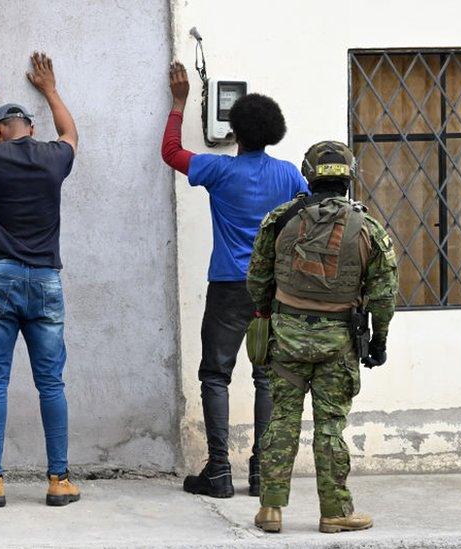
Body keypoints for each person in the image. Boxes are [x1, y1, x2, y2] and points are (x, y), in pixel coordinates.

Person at [162, 61, 310, 498]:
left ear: (236, 133)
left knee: (216, 375)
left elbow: (171, 152)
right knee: (265, 376)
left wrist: (179, 103)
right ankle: (262, 472)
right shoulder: (288, 174)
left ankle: (219, 470)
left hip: (228, 284)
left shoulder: (220, 171)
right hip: (273, 289)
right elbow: (306, 212)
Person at [247, 141, 397, 534]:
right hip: (339, 344)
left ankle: (270, 510)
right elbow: (383, 295)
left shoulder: (279, 220)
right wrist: (378, 342)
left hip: (286, 339)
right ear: (349, 177)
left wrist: (269, 314)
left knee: (281, 419)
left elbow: (258, 279)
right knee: (330, 427)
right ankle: (334, 512)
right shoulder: (368, 228)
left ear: (308, 174)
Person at [0, 52, 80, 507]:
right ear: (31, 126)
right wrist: (49, 89)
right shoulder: (52, 158)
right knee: (51, 383)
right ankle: (59, 480)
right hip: (45, 280)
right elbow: (71, 133)